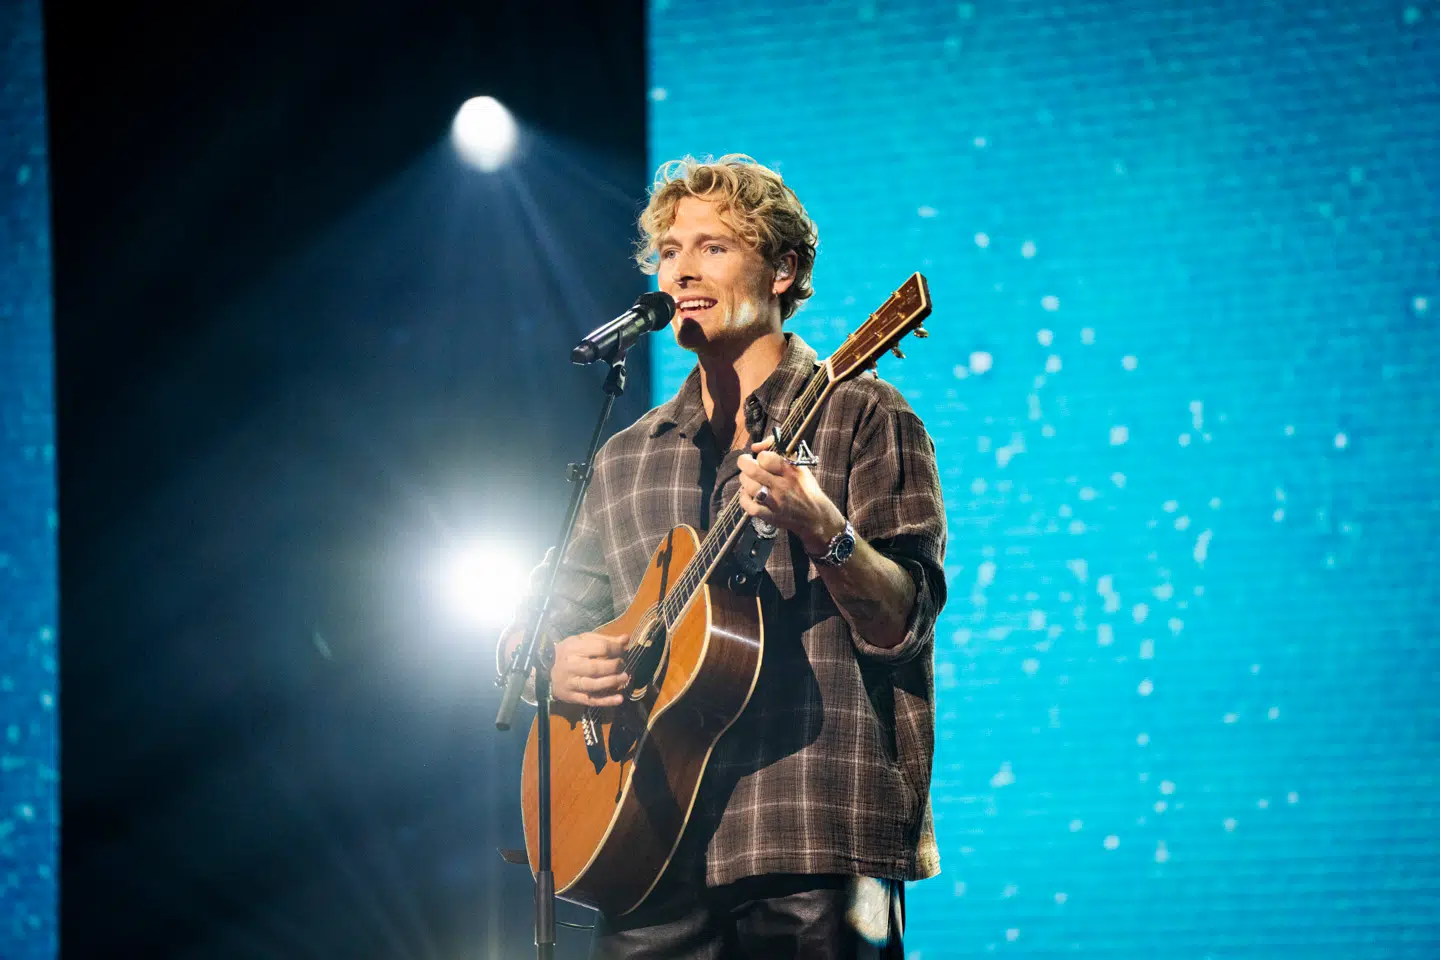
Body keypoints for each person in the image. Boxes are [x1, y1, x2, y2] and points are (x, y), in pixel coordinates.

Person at [498, 154, 947, 959]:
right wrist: (551, 660)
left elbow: (904, 623)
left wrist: (826, 531)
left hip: (810, 836)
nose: (681, 268)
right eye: (670, 250)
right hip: (645, 847)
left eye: (713, 246)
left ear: (786, 269)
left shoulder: (865, 415)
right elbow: (533, 624)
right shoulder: (629, 455)